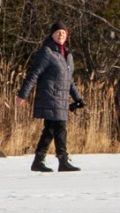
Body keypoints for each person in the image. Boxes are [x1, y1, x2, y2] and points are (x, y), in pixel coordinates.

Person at [16, 21, 84, 172]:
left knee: (53, 129)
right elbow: (34, 74)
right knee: (57, 127)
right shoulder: (46, 52)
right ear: (52, 34)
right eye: (58, 32)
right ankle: (60, 160)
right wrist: (23, 94)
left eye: (63, 32)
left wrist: (78, 98)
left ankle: (43, 161)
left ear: (67, 35)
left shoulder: (67, 54)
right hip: (50, 96)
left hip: (62, 99)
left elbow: (69, 79)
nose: (61, 34)